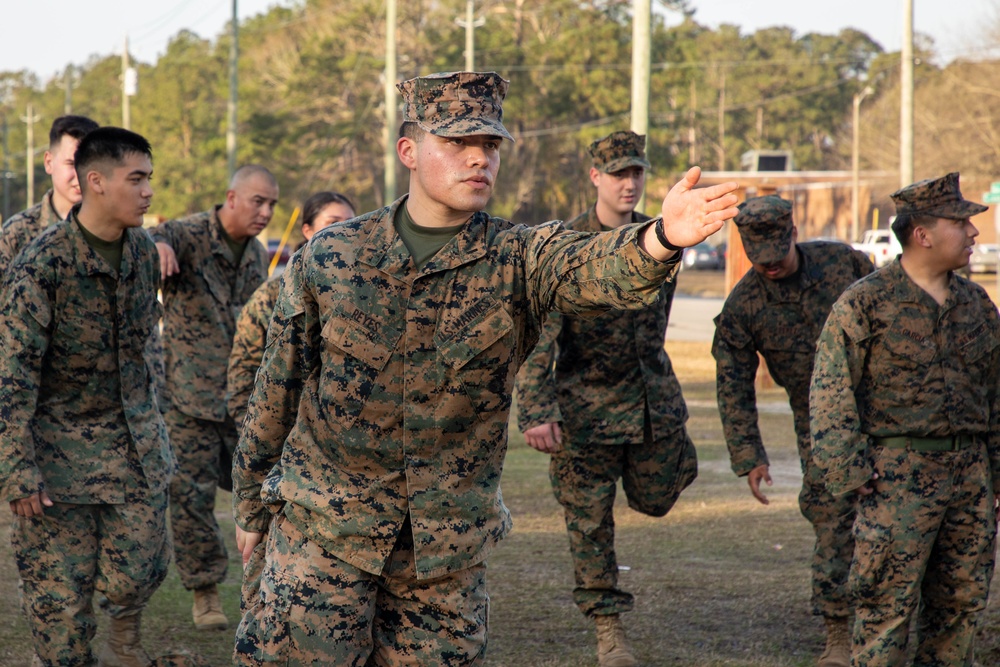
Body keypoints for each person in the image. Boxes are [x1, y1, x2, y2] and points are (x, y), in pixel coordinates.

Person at [231, 70, 738, 666]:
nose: (479, 160)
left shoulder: (518, 257)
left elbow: (592, 265)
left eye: (490, 145)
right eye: (457, 144)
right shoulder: (334, 255)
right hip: (325, 535)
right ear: (409, 152)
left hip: (443, 554)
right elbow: (277, 386)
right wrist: (249, 503)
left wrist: (660, 239)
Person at [514, 130, 696, 667]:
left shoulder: (662, 237)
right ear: (595, 176)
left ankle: (667, 467)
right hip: (584, 412)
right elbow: (537, 335)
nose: (628, 183)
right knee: (590, 522)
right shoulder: (566, 242)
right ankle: (608, 632)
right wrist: (537, 410)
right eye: (618, 173)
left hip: (651, 402)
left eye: (636, 173)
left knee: (657, 498)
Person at [810, 172, 999, 666]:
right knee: (885, 610)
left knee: (959, 608)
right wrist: (850, 473)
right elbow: (830, 393)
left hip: (970, 480)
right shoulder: (866, 302)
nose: (975, 233)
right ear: (923, 234)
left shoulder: (976, 305)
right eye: (962, 223)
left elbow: (996, 395)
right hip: (897, 480)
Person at [0, 127, 172, 667]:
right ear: (95, 181)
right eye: (136, 179)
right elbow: (11, 374)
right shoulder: (42, 264)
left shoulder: (142, 254)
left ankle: (122, 633)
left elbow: (144, 350)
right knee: (63, 617)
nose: (147, 192)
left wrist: (157, 437)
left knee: (140, 573)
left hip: (133, 454)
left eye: (149, 179)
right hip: (57, 467)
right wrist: (17, 469)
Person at [712, 195, 874, 666]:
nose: (770, 267)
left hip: (887, 410)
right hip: (820, 426)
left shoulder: (844, 264)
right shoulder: (744, 305)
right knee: (832, 524)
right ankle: (838, 634)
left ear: (793, 234)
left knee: (901, 518)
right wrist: (750, 456)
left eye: (777, 256)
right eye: (758, 260)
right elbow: (733, 384)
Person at [151, 165, 278, 631]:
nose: (265, 212)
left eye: (272, 205)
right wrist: (158, 246)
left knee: (262, 493)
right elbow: (144, 238)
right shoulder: (186, 234)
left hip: (242, 397)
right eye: (257, 202)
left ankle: (267, 586)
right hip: (188, 398)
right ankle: (205, 593)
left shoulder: (258, 254)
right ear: (231, 196)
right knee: (190, 499)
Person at [0, 115, 99, 274]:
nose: (81, 175)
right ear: (49, 162)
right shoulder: (16, 234)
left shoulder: (115, 230)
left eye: (89, 164)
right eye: (71, 164)